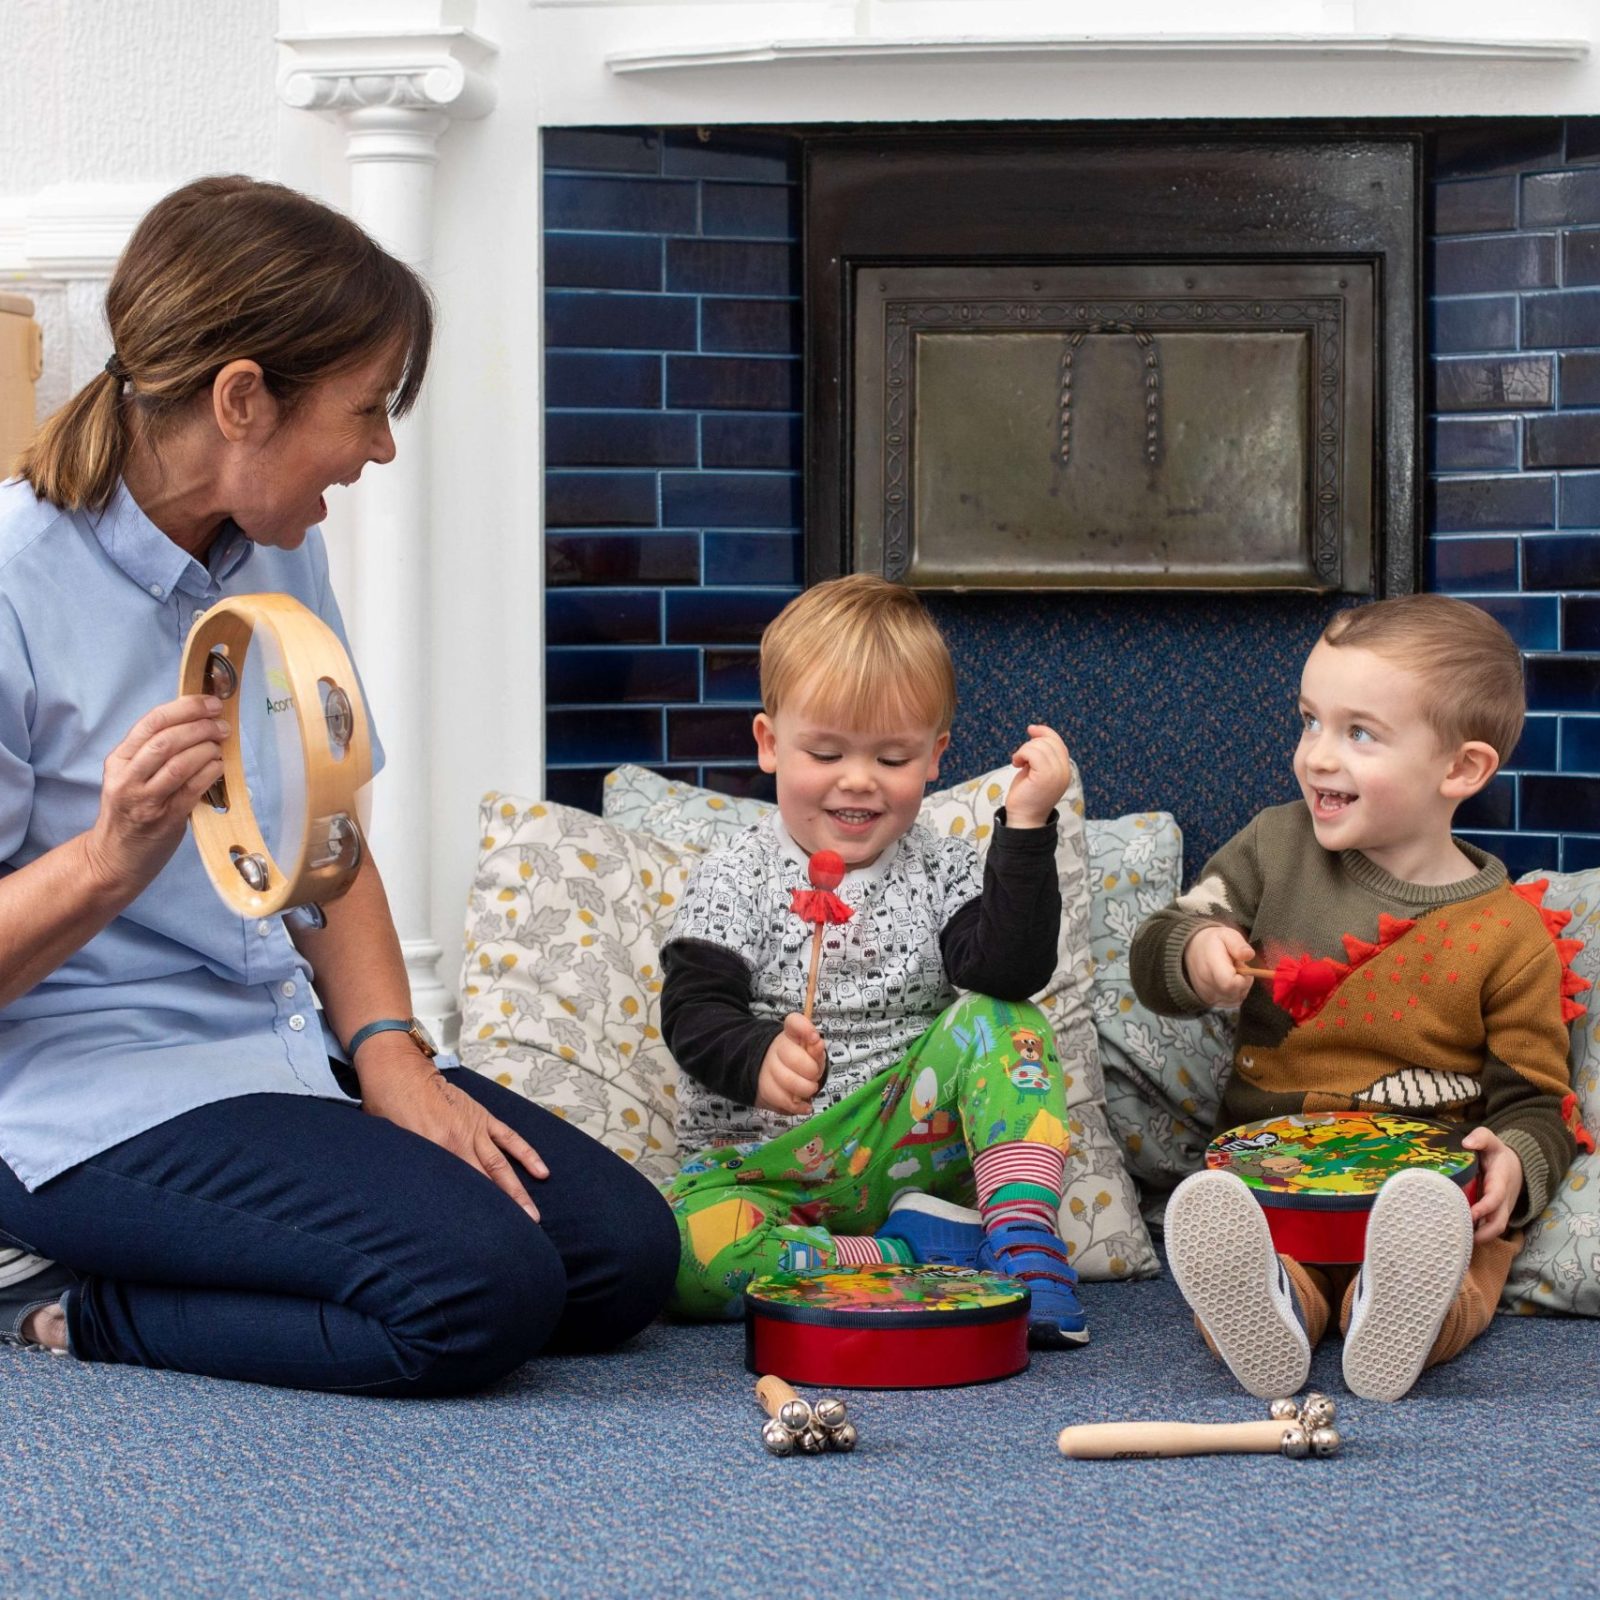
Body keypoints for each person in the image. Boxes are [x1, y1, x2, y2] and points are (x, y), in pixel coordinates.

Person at [0, 175, 677, 1393]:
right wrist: (110, 858)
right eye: (364, 410)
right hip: (89, 1084)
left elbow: (329, 841)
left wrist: (390, 1055)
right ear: (243, 398)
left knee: (621, 1258)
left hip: (279, 1040)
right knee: (477, 1292)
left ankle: (249, 1233)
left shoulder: (272, 553)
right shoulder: (10, 590)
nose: (380, 448)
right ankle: (76, 1310)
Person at [1130, 594, 1585, 1402]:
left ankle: (1401, 1311)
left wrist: (1515, 1161)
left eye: (1359, 733)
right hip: (1276, 1177)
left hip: (1426, 1198)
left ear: (1462, 769)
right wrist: (1195, 954)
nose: (1317, 757)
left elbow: (1536, 1103)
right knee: (1247, 1256)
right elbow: (1165, 934)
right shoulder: (1274, 847)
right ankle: (1273, 1308)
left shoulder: (1509, 934)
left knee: (1458, 1262)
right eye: (1310, 721)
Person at [658, 574, 1089, 1347]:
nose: (857, 780)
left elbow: (1009, 969)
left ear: (935, 757)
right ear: (768, 744)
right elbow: (693, 1012)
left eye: (891, 757)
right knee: (677, 1256)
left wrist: (1025, 829)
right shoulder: (736, 872)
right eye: (825, 752)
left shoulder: (943, 869)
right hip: (764, 1170)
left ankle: (1024, 1245)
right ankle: (906, 1255)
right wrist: (756, 1056)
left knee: (1005, 1018)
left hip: (906, 1144)